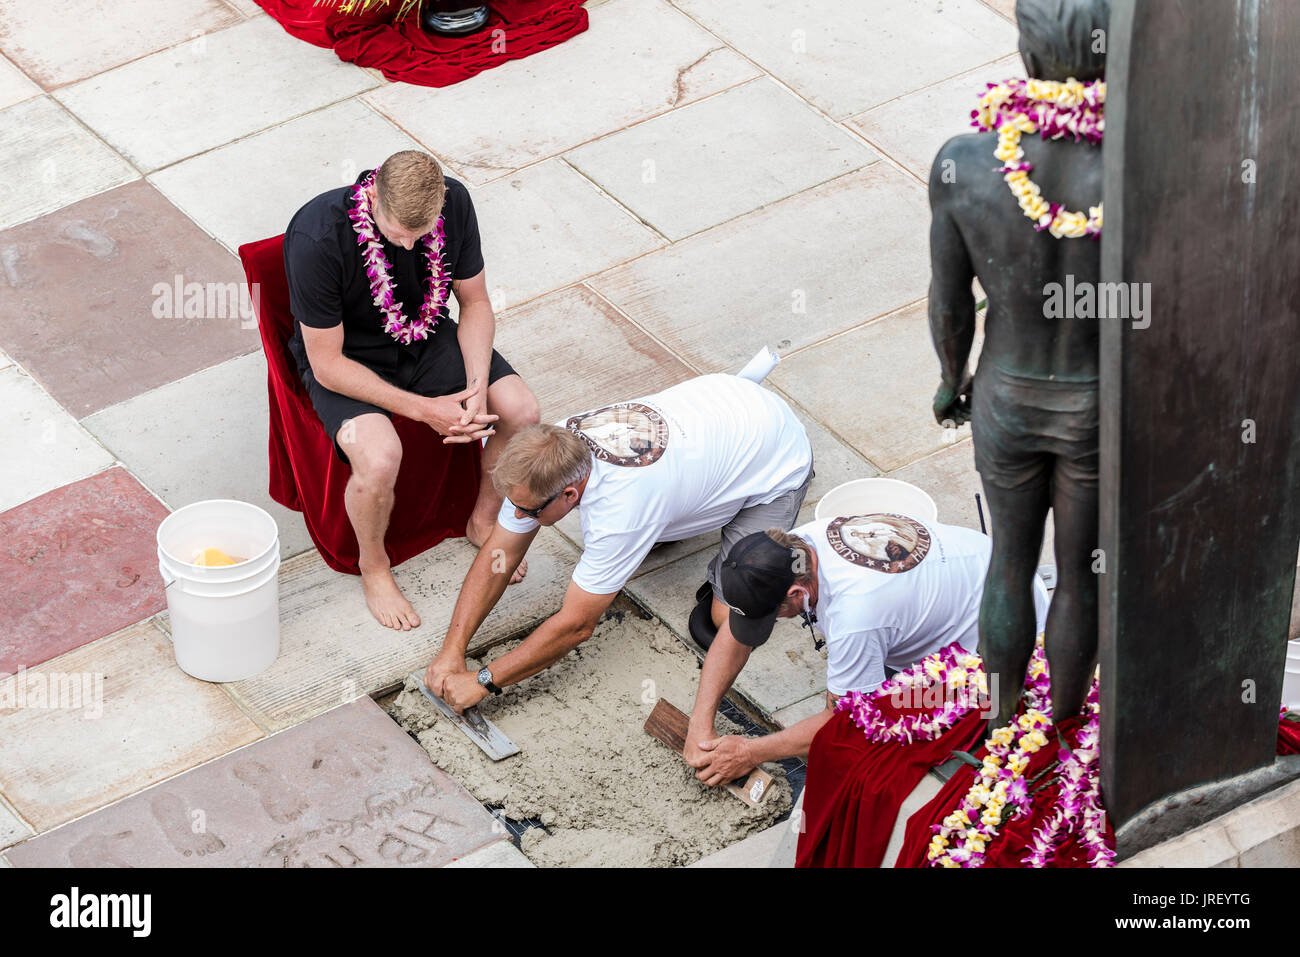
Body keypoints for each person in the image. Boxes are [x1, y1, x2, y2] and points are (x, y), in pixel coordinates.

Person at [423, 373, 814, 710]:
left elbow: (576, 625)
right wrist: (451, 651)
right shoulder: (548, 453)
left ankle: (729, 541)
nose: (518, 517)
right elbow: (500, 552)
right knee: (646, 518)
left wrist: (483, 681)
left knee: (725, 622)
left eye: (529, 512)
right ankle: (684, 516)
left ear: (570, 496)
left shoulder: (622, 513)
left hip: (775, 457)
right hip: (722, 405)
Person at [927, 0, 1108, 723]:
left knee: (1009, 558)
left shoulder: (965, 164)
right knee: (1079, 575)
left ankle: (1005, 729)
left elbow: (949, 299)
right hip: (1095, 404)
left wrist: (950, 379)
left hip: (1003, 394)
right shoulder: (1140, 165)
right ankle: (1062, 730)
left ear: (1029, 64)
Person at [284, 150, 539, 632]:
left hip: (424, 335)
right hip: (348, 357)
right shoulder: (317, 235)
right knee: (379, 457)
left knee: (521, 412)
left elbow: (476, 302)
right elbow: (326, 363)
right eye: (396, 232)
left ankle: (482, 519)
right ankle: (373, 566)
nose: (405, 245)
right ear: (373, 193)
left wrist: (477, 388)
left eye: (419, 236)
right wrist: (424, 410)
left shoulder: (456, 202)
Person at [684, 514, 992, 786]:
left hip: (996, 651)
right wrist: (699, 724)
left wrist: (750, 752)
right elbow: (736, 638)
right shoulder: (795, 548)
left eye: (772, 615)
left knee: (874, 745)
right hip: (976, 563)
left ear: (796, 593)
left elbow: (845, 721)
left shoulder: (855, 615)